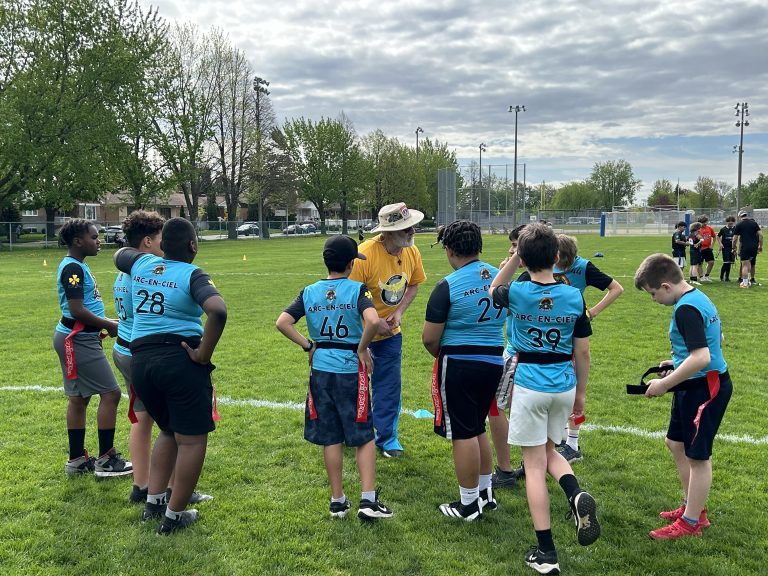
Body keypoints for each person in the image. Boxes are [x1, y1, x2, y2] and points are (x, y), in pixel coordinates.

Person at [489, 223, 600, 574]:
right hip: (563, 383)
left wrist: (514, 259)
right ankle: (575, 493)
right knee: (550, 451)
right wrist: (581, 393)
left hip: (529, 384)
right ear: (556, 256)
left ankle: (547, 552)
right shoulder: (573, 296)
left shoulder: (518, 291)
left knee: (534, 465)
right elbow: (583, 351)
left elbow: (493, 288)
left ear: (523, 258)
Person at [114, 217, 227, 534]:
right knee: (192, 440)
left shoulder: (142, 264)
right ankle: (174, 516)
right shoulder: (193, 274)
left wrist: (145, 260)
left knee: (167, 430)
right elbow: (218, 310)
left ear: (162, 245)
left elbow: (120, 255)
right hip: (178, 360)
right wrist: (203, 354)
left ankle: (154, 504)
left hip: (141, 361)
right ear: (193, 245)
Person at [276, 235, 393, 521]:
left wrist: (308, 346)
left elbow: (283, 322)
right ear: (352, 263)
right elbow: (373, 321)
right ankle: (368, 500)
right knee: (364, 435)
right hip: (350, 370)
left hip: (321, 372)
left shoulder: (309, 291)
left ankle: (337, 501)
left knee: (331, 437)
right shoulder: (357, 289)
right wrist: (362, 348)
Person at [633, 253, 732, 540]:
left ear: (666, 286)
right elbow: (717, 339)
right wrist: (676, 363)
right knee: (675, 443)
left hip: (706, 388)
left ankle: (692, 522)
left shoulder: (685, 309)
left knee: (698, 457)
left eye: (653, 294)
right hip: (692, 384)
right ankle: (692, 507)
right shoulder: (697, 296)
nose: (653, 300)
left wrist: (665, 384)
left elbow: (702, 357)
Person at [422, 220, 506, 521]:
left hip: (459, 362)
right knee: (477, 426)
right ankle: (485, 493)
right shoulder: (500, 278)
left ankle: (468, 504)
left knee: (463, 432)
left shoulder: (448, 285)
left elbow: (429, 338)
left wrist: (444, 355)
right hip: (494, 361)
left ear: (449, 249)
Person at [53, 219, 132, 477]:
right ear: (78, 241)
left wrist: (107, 321)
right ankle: (106, 460)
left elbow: (83, 307)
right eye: (94, 237)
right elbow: (76, 310)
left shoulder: (77, 265)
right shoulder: (72, 268)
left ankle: (76, 461)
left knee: (79, 398)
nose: (99, 242)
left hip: (74, 336)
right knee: (111, 394)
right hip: (78, 339)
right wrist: (109, 324)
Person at [349, 202, 427, 458]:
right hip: (358, 334)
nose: (412, 231)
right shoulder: (363, 255)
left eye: (412, 226)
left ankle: (387, 438)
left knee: (389, 387)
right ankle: (350, 432)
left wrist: (398, 312)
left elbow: (414, 285)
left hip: (390, 335)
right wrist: (371, 325)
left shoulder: (412, 251)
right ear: (388, 233)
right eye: (406, 228)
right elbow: (348, 298)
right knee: (352, 385)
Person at [553, 234, 624, 463]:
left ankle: (573, 444)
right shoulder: (545, 261)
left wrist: (592, 312)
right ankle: (562, 437)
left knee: (573, 386)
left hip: (573, 332)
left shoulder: (583, 266)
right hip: (550, 332)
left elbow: (616, 288)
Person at [489, 225, 528, 489]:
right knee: (525, 410)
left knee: (495, 406)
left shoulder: (522, 284)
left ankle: (504, 469)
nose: (511, 250)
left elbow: (496, 293)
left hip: (518, 354)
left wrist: (507, 269)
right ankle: (532, 463)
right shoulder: (558, 283)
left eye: (515, 246)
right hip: (551, 362)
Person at [732, 210, 763, 288]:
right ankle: (747, 280)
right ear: (746, 215)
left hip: (745, 247)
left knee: (744, 265)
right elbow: (761, 235)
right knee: (749, 263)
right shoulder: (754, 223)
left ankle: (745, 284)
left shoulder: (739, 225)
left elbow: (735, 239)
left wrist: (733, 247)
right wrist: (760, 246)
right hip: (754, 247)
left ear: (740, 216)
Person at [696, 215, 716, 282]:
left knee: (711, 262)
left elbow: (714, 237)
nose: (705, 223)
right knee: (700, 263)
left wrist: (712, 245)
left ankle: (707, 275)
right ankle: (701, 277)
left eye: (706, 222)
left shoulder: (709, 228)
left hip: (708, 248)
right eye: (703, 222)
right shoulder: (697, 230)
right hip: (700, 249)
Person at [716, 216, 736, 281]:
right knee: (726, 262)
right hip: (725, 248)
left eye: (732, 223)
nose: (730, 224)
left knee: (729, 262)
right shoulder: (723, 229)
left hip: (732, 247)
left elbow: (737, 237)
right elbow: (718, 236)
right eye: (729, 222)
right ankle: (721, 276)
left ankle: (727, 277)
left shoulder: (735, 228)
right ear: (727, 222)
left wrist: (735, 246)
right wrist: (720, 244)